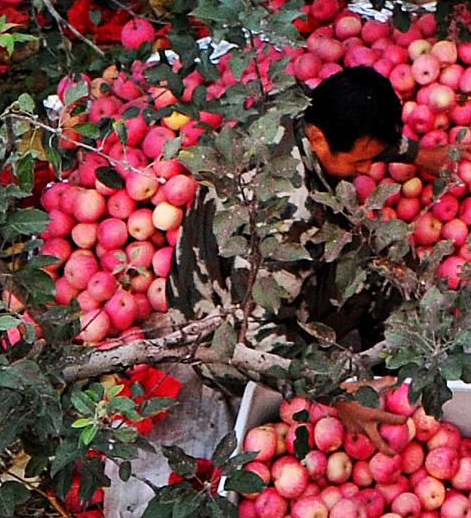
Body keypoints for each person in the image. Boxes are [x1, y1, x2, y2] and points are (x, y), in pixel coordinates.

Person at [167, 64, 415, 358]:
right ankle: (388, 365)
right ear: (319, 138)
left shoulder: (290, 104)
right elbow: (256, 332)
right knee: (390, 263)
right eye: (358, 161)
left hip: (206, 277)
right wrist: (342, 395)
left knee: (376, 241)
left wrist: (418, 154)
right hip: (217, 341)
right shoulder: (291, 214)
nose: (366, 170)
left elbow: (359, 131)